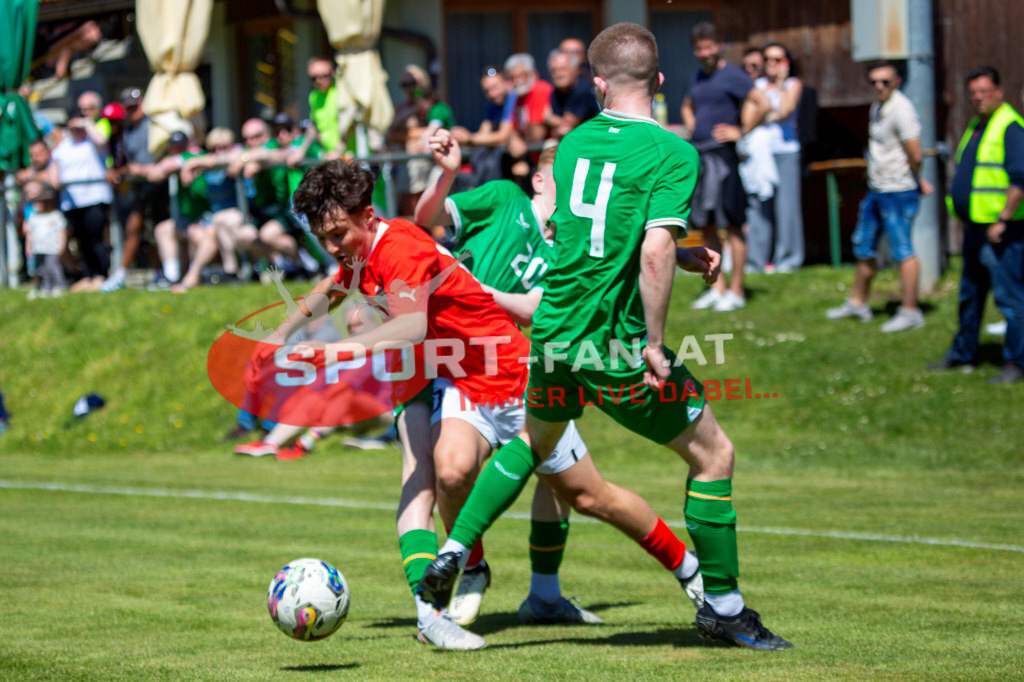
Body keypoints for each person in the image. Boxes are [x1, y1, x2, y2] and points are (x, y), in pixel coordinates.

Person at [418, 23, 792, 651]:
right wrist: (654, 344)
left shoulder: (573, 144)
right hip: (611, 342)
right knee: (714, 456)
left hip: (554, 332)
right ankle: (725, 609)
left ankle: (456, 548)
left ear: (597, 85)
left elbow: (593, 239)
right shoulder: (674, 152)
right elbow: (649, 248)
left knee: (534, 442)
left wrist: (682, 254)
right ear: (660, 81)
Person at [414, 136, 614, 625]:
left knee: (566, 485)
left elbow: (534, 309)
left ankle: (545, 596)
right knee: (452, 472)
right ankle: (473, 565)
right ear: (540, 180)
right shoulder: (505, 198)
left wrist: (476, 289)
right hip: (463, 364)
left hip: (523, 367)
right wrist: (446, 173)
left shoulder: (571, 246)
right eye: (569, 179)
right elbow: (426, 219)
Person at [928, 66, 1024, 384]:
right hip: (975, 229)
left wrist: (1003, 219)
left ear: (999, 91)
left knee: (1010, 299)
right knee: (969, 295)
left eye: (984, 91)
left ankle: (1016, 363)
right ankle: (963, 353)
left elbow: (1020, 179)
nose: (979, 98)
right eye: (973, 93)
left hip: (1001, 231)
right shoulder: (977, 126)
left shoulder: (1010, 126)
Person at [826, 61, 932, 332]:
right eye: (874, 82)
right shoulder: (877, 107)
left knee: (903, 250)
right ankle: (858, 302)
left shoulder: (902, 110)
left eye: (885, 81)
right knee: (864, 245)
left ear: (896, 82)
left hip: (898, 191)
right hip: (876, 189)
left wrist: (916, 180)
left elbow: (915, 154)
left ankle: (910, 311)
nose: (879, 87)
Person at [682, 21, 771, 312]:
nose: (705, 52)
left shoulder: (732, 75)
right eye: (700, 48)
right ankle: (717, 288)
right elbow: (686, 105)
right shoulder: (697, 77)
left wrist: (741, 131)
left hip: (724, 159)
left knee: (733, 224)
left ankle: (737, 290)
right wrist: (693, 126)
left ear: (718, 46)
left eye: (709, 46)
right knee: (706, 225)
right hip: (701, 156)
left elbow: (763, 103)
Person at [101, 88, 175, 291]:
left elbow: (170, 150)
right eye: (129, 107)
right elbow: (125, 162)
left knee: (154, 231)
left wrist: (154, 168)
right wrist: (117, 170)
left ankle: (164, 274)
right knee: (141, 232)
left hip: (161, 187)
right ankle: (157, 274)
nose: (133, 110)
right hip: (140, 188)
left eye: (136, 106)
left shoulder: (156, 125)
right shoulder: (125, 132)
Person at [745, 42, 805, 274]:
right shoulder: (756, 85)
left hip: (786, 151)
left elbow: (786, 111)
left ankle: (788, 259)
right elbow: (749, 117)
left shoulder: (792, 85)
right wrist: (767, 114)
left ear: (786, 63)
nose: (772, 64)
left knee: (787, 207)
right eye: (768, 59)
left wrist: (780, 84)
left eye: (778, 59)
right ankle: (756, 261)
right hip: (761, 152)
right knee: (758, 206)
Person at [51, 108, 112, 289]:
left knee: (96, 238)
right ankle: (87, 275)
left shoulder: (92, 141)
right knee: (81, 240)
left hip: (94, 198)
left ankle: (101, 274)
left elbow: (102, 141)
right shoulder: (64, 146)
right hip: (71, 201)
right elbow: (54, 163)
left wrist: (86, 123)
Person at [450, 66, 517, 188]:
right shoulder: (494, 105)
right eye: (487, 91)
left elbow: (503, 136)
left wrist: (469, 138)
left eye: (495, 88)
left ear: (507, 83)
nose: (492, 94)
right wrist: (461, 136)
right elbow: (483, 134)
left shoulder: (513, 98)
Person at [23, 181, 68, 298]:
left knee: (53, 268)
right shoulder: (34, 217)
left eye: (39, 202)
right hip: (38, 248)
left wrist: (62, 245)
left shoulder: (55, 216)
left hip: (52, 248)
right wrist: (28, 247)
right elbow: (30, 234)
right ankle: (46, 287)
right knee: (41, 269)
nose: (36, 205)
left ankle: (59, 286)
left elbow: (61, 232)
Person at [545, 48, 600, 140]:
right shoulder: (554, 93)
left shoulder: (582, 91)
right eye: (554, 70)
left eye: (563, 69)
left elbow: (568, 124)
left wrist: (549, 119)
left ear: (576, 70)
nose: (558, 74)